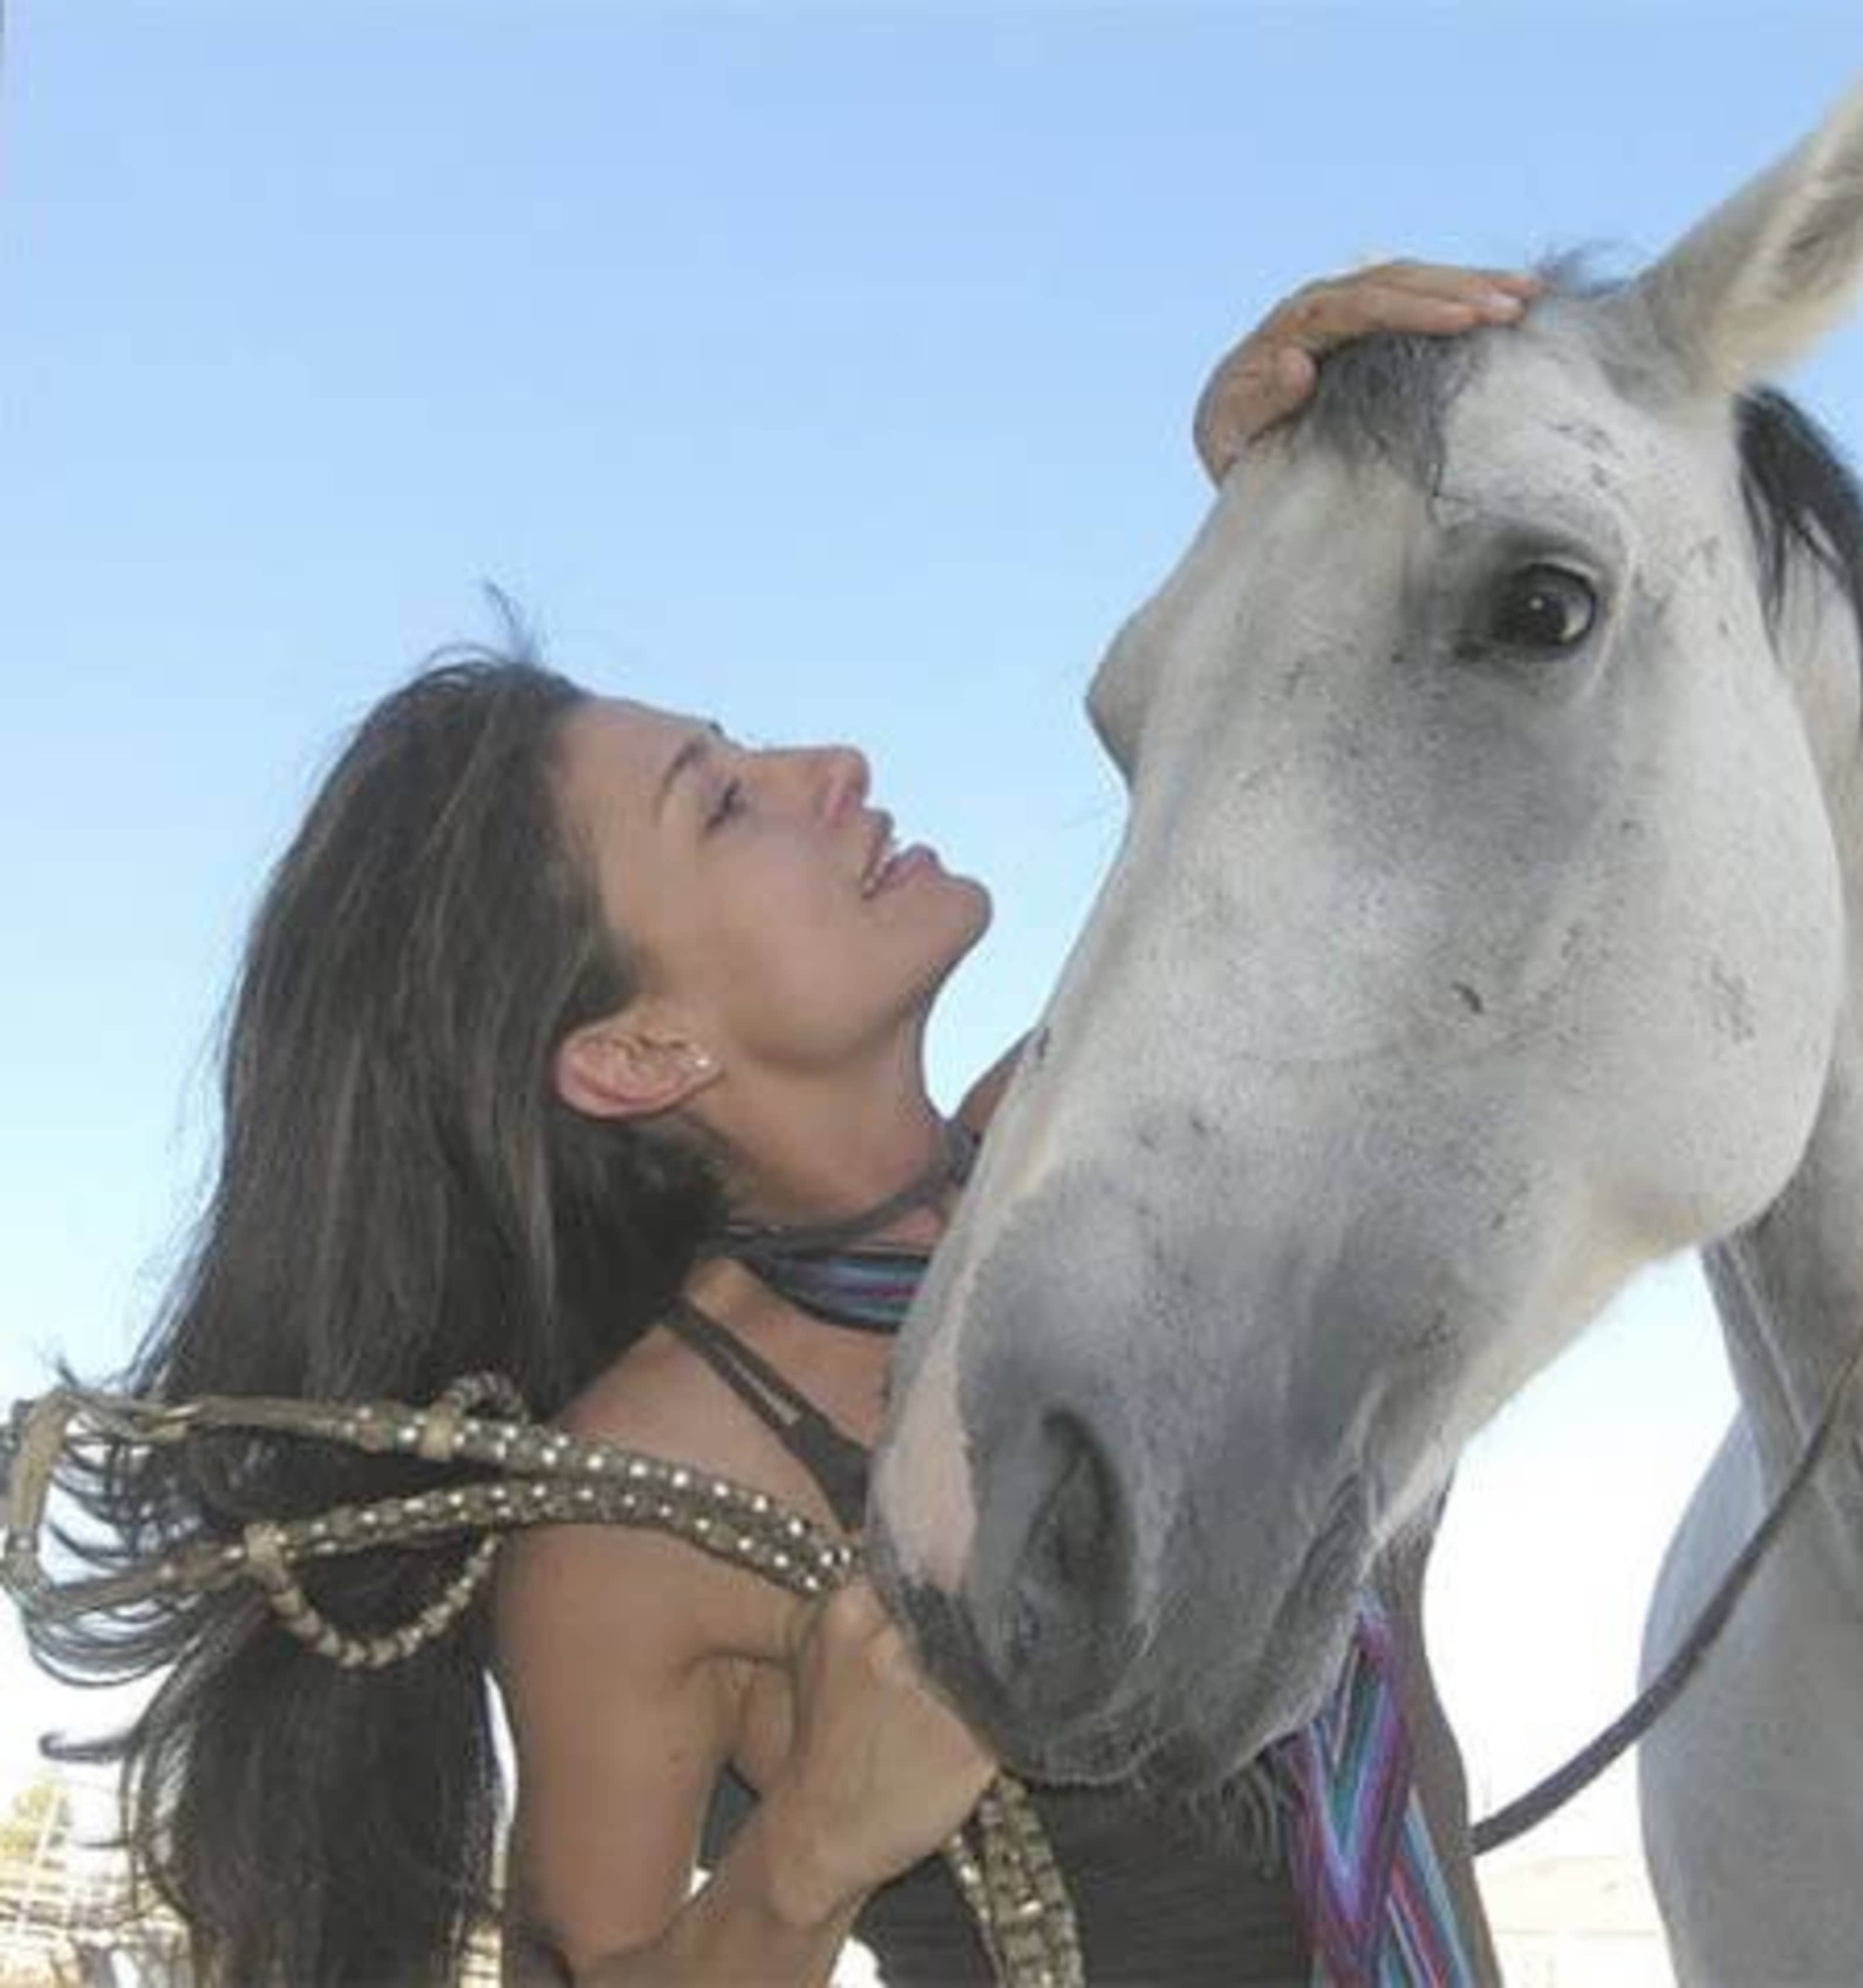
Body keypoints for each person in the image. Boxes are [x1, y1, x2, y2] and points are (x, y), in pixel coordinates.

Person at [28, 261, 1539, 1987]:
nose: (828, 764)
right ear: (637, 1049)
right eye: (725, 800)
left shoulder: (1093, 1155)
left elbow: (1308, 856)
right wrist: (812, 1846)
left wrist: (1277, 503)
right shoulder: (645, 1497)